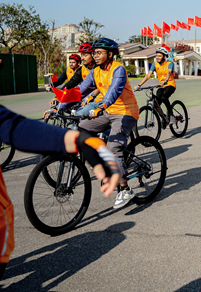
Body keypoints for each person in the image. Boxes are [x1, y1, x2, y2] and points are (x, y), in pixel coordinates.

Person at [0, 105, 123, 279]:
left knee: (114, 147)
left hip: (121, 111)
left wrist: (78, 140)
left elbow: (13, 126)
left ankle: (125, 188)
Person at [77, 38, 140, 209]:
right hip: (108, 111)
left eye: (99, 53)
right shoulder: (96, 71)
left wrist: (102, 106)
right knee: (81, 129)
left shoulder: (118, 69)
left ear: (110, 54)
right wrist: (60, 103)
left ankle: (125, 189)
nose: (94, 56)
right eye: (94, 53)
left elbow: (114, 90)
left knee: (113, 150)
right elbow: (81, 89)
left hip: (125, 112)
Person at [135, 46, 176, 124]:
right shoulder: (155, 64)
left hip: (170, 84)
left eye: (159, 56)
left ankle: (171, 115)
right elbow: (148, 75)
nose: (157, 57)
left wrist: (166, 80)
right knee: (156, 103)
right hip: (161, 86)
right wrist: (139, 85)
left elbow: (169, 72)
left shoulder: (170, 64)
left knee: (164, 97)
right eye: (156, 56)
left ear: (164, 56)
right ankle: (164, 118)